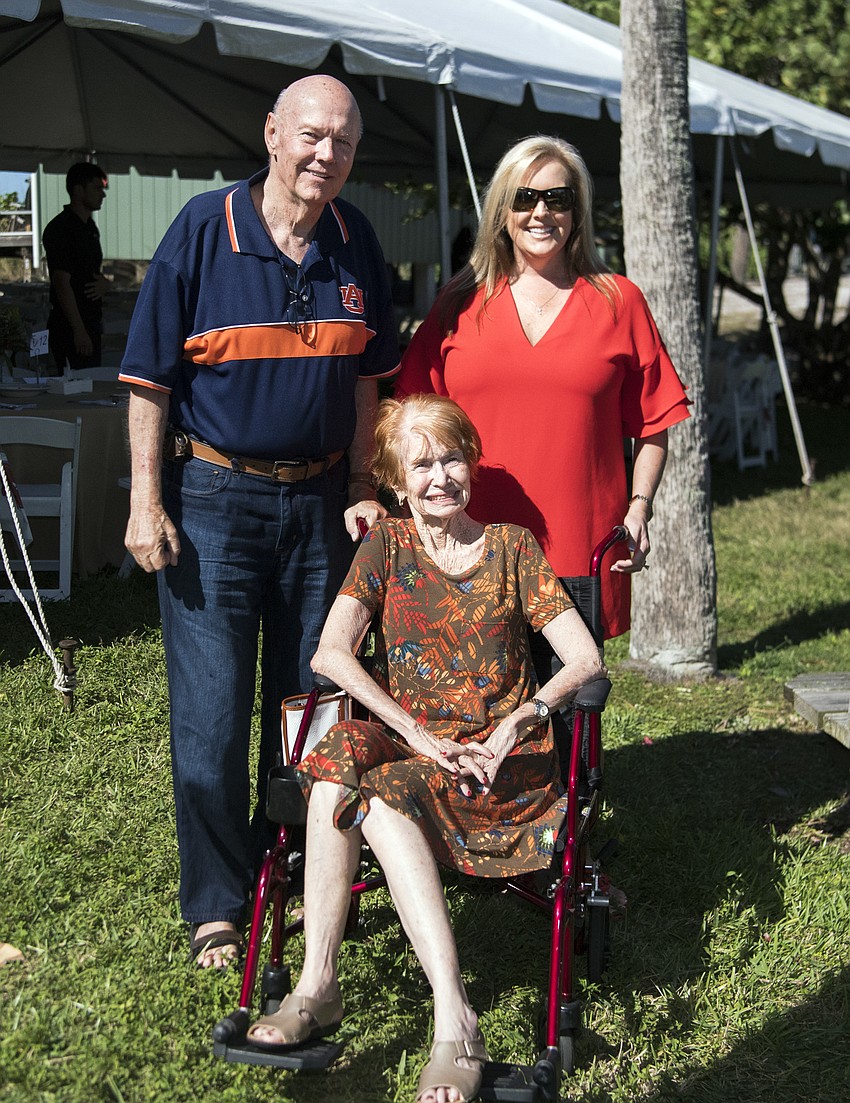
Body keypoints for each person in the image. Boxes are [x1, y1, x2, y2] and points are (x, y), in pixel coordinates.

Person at [246, 394, 606, 1103]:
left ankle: (455, 1021)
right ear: (394, 480)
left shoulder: (512, 547)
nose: (440, 476)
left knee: (378, 793)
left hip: (501, 765)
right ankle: (317, 984)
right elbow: (330, 653)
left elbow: (584, 659)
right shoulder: (386, 547)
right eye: (422, 465)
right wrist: (416, 733)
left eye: (452, 458)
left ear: (471, 461)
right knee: (337, 758)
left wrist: (517, 722)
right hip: (418, 750)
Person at [119, 76, 400, 968]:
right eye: (312, 134)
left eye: (343, 141)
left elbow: (370, 381)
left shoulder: (356, 242)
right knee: (210, 723)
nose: (326, 153)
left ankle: (296, 872)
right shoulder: (204, 230)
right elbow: (149, 379)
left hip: (321, 506)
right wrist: (145, 499)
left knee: (308, 710)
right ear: (273, 134)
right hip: (213, 500)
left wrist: (362, 479)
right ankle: (216, 903)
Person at [396, 135, 691, 644]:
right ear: (502, 211)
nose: (541, 212)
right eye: (525, 198)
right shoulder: (458, 303)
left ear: (577, 212)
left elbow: (654, 422)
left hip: (582, 547)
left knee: (574, 693)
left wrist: (639, 506)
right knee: (479, 693)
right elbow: (408, 418)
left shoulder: (619, 301)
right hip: (471, 547)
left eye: (557, 198)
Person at [42, 162, 111, 374]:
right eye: (97, 188)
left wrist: (105, 284)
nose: (102, 194)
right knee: (74, 382)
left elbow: (89, 270)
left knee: (92, 378)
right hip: (70, 325)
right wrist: (78, 330)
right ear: (79, 190)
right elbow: (62, 282)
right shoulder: (61, 229)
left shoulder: (90, 228)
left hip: (91, 320)